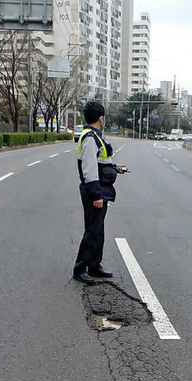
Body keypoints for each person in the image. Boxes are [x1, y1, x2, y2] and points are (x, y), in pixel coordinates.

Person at [73, 101, 118, 285]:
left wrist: (114, 168)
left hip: (100, 189)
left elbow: (100, 162)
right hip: (95, 191)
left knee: (98, 231)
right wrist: (96, 195)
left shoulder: (94, 137)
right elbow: (90, 169)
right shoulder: (90, 138)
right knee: (92, 231)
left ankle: (94, 265)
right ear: (101, 118)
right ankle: (80, 268)